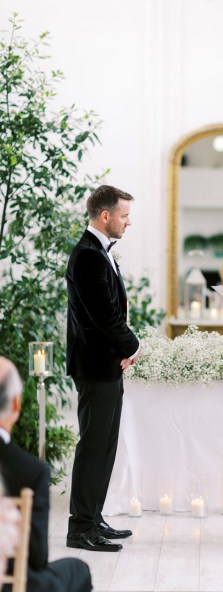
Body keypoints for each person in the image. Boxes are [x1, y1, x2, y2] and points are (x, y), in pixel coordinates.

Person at [66, 184, 141, 552]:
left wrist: (123, 350)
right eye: (124, 216)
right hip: (96, 366)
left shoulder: (99, 252)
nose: (129, 223)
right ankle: (80, 528)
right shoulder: (88, 256)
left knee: (105, 446)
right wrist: (133, 345)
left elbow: (110, 311)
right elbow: (104, 317)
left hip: (107, 364)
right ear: (105, 216)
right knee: (94, 446)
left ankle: (93, 519)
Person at [0, 357, 92, 592]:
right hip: (10, 582)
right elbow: (36, 557)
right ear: (16, 404)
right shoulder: (30, 472)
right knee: (77, 570)